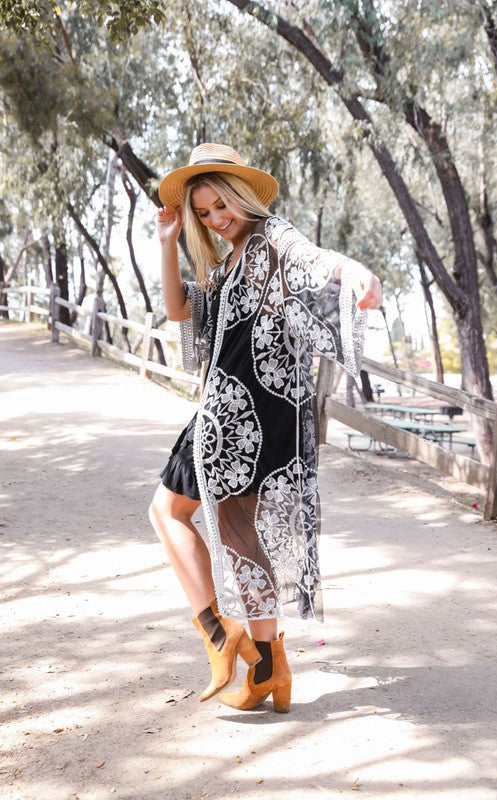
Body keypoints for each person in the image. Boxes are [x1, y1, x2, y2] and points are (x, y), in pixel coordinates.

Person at [149, 143, 382, 713]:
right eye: (203, 212)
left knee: (168, 512)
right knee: (239, 537)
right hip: (244, 413)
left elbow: (315, 258)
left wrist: (357, 272)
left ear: (243, 195)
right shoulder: (229, 262)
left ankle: (219, 632)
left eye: (221, 204)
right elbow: (179, 310)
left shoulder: (272, 238)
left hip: (242, 412)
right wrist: (167, 243)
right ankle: (268, 668)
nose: (215, 218)